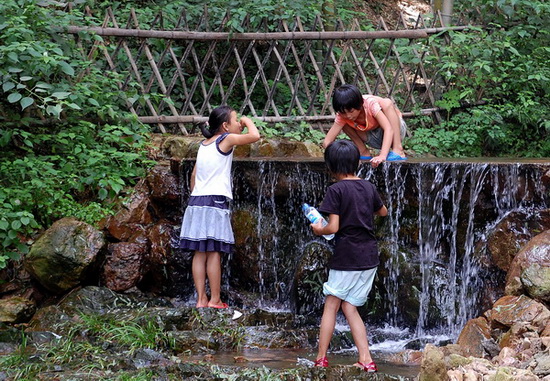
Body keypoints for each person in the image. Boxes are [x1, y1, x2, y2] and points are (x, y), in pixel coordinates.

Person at [309, 139, 388, 372]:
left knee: (331, 305)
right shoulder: (368, 186)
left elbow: (333, 228)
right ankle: (366, 359)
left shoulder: (335, 190)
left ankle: (321, 358)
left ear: (331, 166)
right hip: (369, 257)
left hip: (347, 257)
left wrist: (318, 228)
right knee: (350, 307)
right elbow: (382, 211)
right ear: (356, 162)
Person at [179, 105, 260, 309]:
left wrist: (196, 196)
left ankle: (200, 300)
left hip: (196, 201)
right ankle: (215, 299)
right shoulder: (226, 139)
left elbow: (194, 176)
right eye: (235, 121)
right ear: (225, 126)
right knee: (214, 252)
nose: (238, 124)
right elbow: (255, 136)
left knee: (199, 252)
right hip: (215, 201)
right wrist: (247, 121)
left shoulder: (203, 144)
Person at [323, 84, 407, 168]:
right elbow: (327, 142)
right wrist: (337, 157)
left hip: (395, 132)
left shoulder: (370, 104)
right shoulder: (342, 116)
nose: (348, 115)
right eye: (343, 112)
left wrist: (382, 155)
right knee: (343, 123)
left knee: (387, 102)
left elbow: (388, 128)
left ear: (360, 104)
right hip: (373, 139)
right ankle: (363, 151)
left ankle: (398, 149)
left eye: (351, 111)